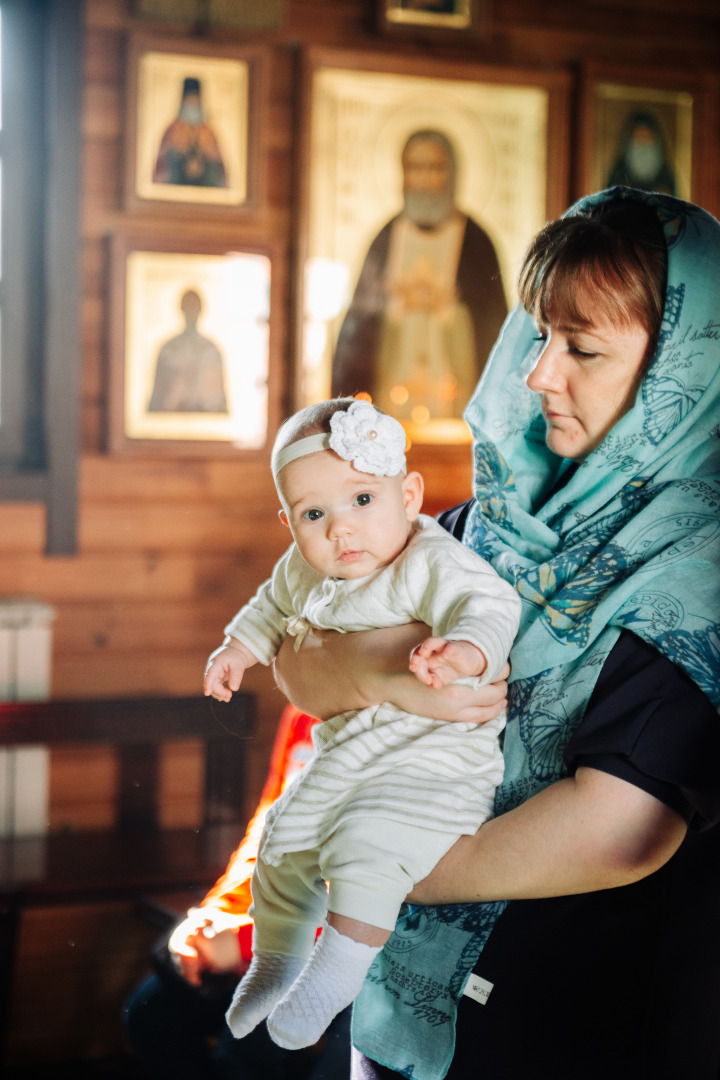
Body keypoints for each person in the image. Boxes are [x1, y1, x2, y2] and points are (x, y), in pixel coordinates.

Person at [272, 187, 720, 1079]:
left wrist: (381, 860)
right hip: (393, 1004)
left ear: (686, 370)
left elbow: (618, 829)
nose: (539, 373)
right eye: (541, 334)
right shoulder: (497, 519)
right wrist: (384, 670)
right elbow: (298, 655)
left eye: (582, 348)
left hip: (565, 1019)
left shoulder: (696, 578)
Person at [203, 397, 520, 1052]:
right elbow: (268, 610)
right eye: (315, 515)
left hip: (433, 761)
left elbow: (485, 604)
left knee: (367, 848)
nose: (341, 530)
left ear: (409, 495)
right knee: (283, 846)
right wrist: (237, 650)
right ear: (290, 522)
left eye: (362, 501)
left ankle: (336, 972)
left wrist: (465, 649)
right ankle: (277, 960)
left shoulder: (431, 560)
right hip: (349, 754)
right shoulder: (302, 570)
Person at [122, 703, 353, 1080]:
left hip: (348, 950)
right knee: (151, 1014)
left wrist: (247, 943)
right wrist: (212, 917)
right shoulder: (305, 704)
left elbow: (374, 890)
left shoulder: (403, 720)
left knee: (246, 1046)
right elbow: (267, 831)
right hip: (274, 931)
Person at [332, 130, 507, 424]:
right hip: (392, 389)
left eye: (433, 168)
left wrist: (449, 309)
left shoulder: (477, 244)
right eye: (415, 168)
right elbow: (360, 326)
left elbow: (493, 327)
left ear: (451, 173)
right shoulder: (385, 238)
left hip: (458, 397)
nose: (424, 179)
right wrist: (396, 308)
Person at [148, 288, 228, 413]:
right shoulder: (168, 350)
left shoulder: (211, 351)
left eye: (194, 307)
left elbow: (219, 403)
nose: (192, 312)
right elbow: (158, 400)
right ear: (182, 309)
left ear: (201, 310)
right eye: (188, 307)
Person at [154, 76, 227, 188]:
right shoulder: (172, 130)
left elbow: (219, 168)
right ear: (183, 102)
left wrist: (205, 156)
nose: (193, 105)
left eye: (196, 101)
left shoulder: (208, 132)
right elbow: (162, 165)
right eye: (190, 101)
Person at [607, 110, 676, 195]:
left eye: (646, 138)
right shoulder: (618, 177)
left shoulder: (666, 179)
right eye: (638, 139)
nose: (642, 145)